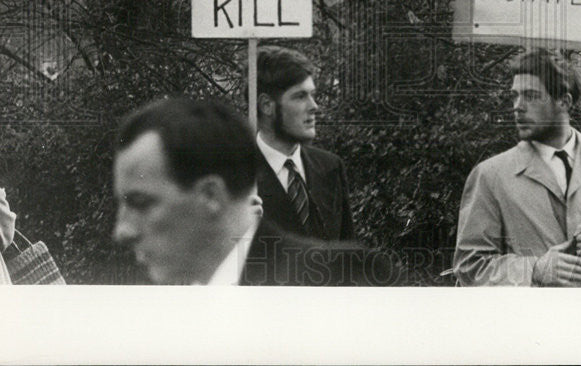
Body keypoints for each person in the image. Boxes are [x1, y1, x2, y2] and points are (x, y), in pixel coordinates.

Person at [112, 95, 399, 286]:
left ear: (210, 196)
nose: (122, 231)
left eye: (141, 202)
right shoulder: (167, 321)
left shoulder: (342, 276)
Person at [453, 49, 581, 286]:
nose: (518, 107)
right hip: (532, 320)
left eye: (531, 96)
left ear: (564, 102)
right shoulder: (490, 176)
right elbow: (470, 267)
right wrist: (535, 269)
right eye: (515, 96)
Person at [253, 46, 355, 241]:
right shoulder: (237, 178)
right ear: (267, 105)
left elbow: (347, 258)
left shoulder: (330, 167)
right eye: (300, 96)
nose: (314, 106)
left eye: (312, 95)